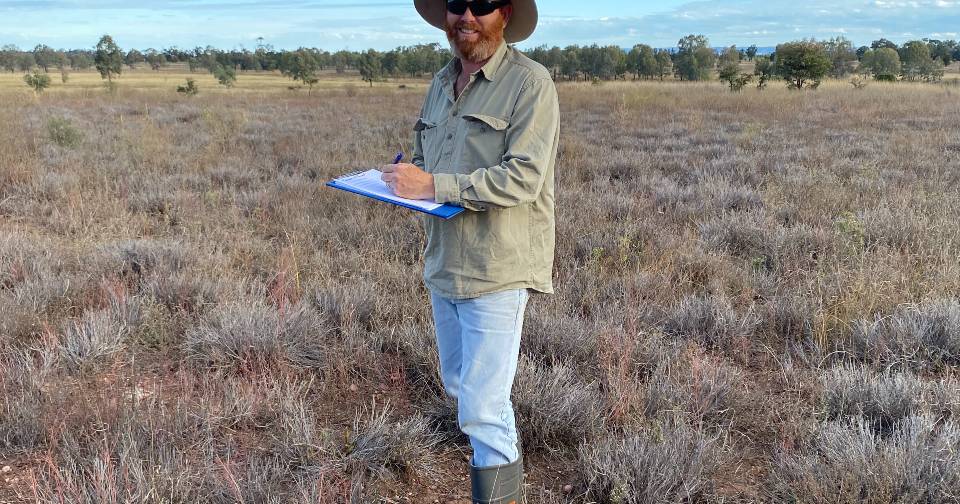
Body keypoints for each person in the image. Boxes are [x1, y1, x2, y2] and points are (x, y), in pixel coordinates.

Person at [380, 0, 558, 502]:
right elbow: (423, 160)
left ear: (504, 14)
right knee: (461, 389)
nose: (467, 15)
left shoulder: (530, 84)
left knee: (482, 408)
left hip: (497, 266)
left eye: (481, 5)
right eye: (457, 4)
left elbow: (523, 176)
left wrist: (433, 184)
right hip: (445, 263)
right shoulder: (440, 84)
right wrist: (399, 179)